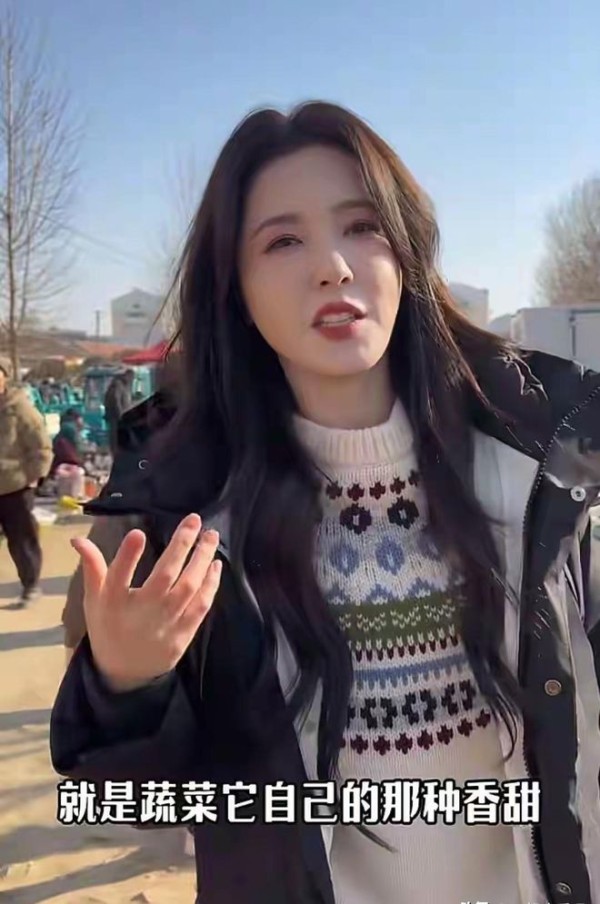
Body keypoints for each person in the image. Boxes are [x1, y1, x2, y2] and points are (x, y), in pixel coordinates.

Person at [50, 102, 600, 904]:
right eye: (283, 241)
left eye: (362, 227)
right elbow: (127, 804)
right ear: (234, 289)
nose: (334, 266)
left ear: (406, 254)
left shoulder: (542, 473)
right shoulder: (182, 515)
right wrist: (127, 685)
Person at [0, 356, 53, 607]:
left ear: (5, 377)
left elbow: (41, 447)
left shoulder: (20, 409)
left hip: (15, 486)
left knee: (22, 541)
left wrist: (33, 477)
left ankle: (30, 585)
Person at [103, 369, 135, 454]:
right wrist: (120, 414)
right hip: (116, 418)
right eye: (131, 377)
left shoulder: (123, 385)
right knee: (117, 439)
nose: (132, 380)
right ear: (127, 376)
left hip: (119, 418)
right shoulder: (118, 385)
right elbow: (116, 400)